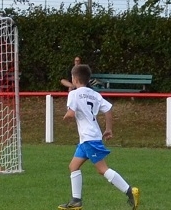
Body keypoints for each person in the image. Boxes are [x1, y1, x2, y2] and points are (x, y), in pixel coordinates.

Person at [58, 64, 139, 210]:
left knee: (102, 169)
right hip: (89, 138)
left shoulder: (74, 94)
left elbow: (71, 113)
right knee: (73, 166)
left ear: (75, 79)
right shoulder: (94, 94)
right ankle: (76, 201)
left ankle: (130, 191)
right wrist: (108, 129)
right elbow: (108, 109)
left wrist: (64, 117)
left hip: (89, 138)